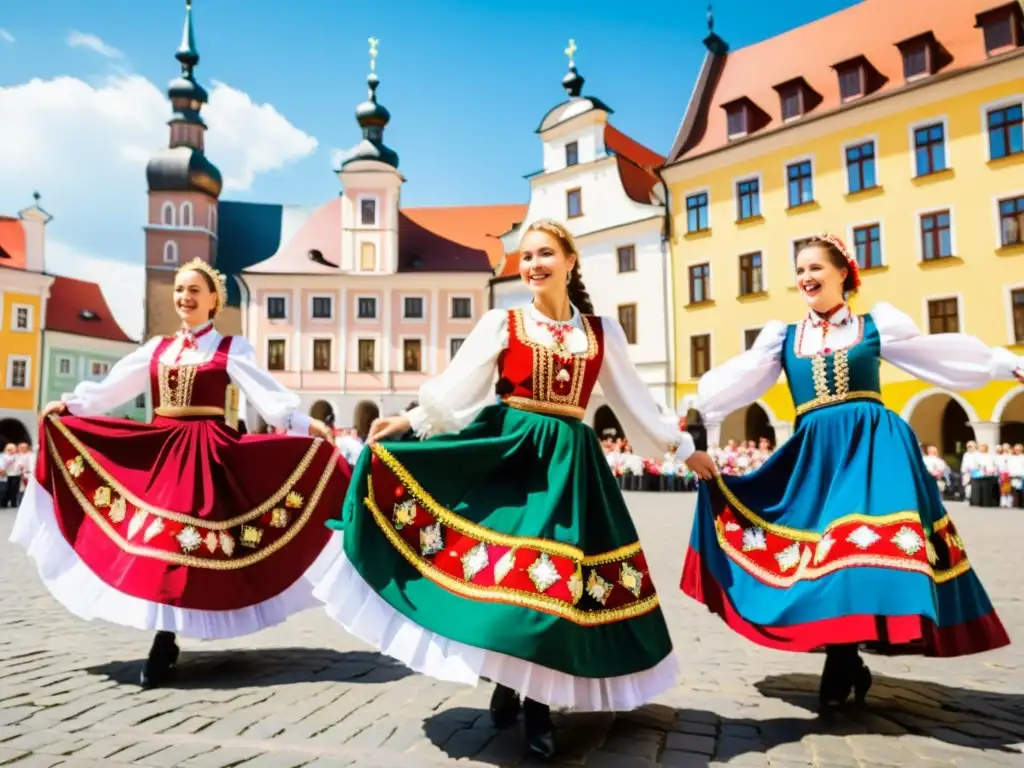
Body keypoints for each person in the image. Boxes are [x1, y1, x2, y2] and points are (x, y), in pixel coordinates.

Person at [313, 219, 715, 760]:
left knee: (557, 586)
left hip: (572, 466)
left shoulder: (601, 333)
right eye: (526, 257)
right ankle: (526, 695)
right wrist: (407, 421)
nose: (533, 266)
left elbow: (636, 405)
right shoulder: (503, 322)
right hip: (511, 457)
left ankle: (528, 694)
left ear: (570, 261)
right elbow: (459, 388)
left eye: (545, 254)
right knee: (515, 583)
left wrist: (686, 451)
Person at [681, 234, 1019, 710]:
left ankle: (841, 659)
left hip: (874, 449)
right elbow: (737, 381)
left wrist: (1004, 364)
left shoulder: (875, 326)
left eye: (816, 267)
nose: (806, 277)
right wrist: (694, 408)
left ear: (844, 273)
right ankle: (848, 660)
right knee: (823, 557)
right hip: (816, 456)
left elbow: (934, 354)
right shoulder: (784, 338)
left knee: (858, 548)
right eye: (799, 270)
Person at [12, 259, 350, 689]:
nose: (184, 297)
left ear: (213, 300)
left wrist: (305, 425)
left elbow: (268, 398)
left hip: (208, 452)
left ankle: (168, 636)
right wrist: (72, 407)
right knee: (161, 543)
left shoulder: (230, 348)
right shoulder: (157, 348)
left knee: (191, 545)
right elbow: (115, 387)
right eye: (179, 289)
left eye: (194, 290)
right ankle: (165, 637)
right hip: (162, 448)